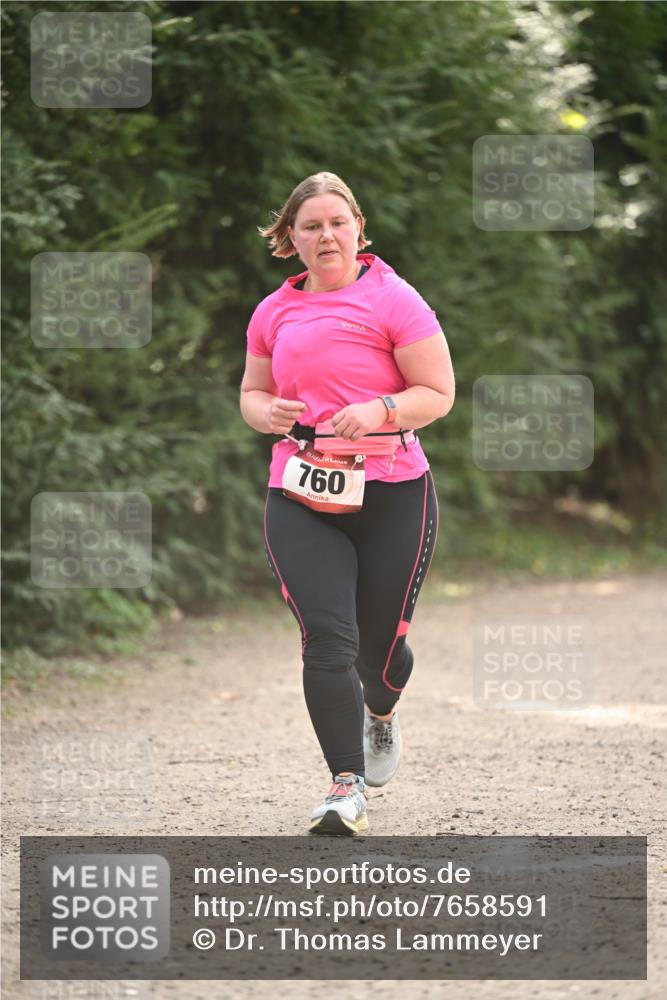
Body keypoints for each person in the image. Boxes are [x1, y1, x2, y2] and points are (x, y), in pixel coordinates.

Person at [240, 171, 455, 835]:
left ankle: (381, 714)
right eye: (310, 226)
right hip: (299, 490)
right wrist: (265, 411)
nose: (325, 234)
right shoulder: (273, 311)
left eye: (337, 222)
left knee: (376, 654)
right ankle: (344, 784)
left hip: (392, 491)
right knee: (327, 640)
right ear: (290, 240)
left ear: (358, 229)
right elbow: (250, 396)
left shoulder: (395, 300)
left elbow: (438, 391)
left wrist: (381, 407)